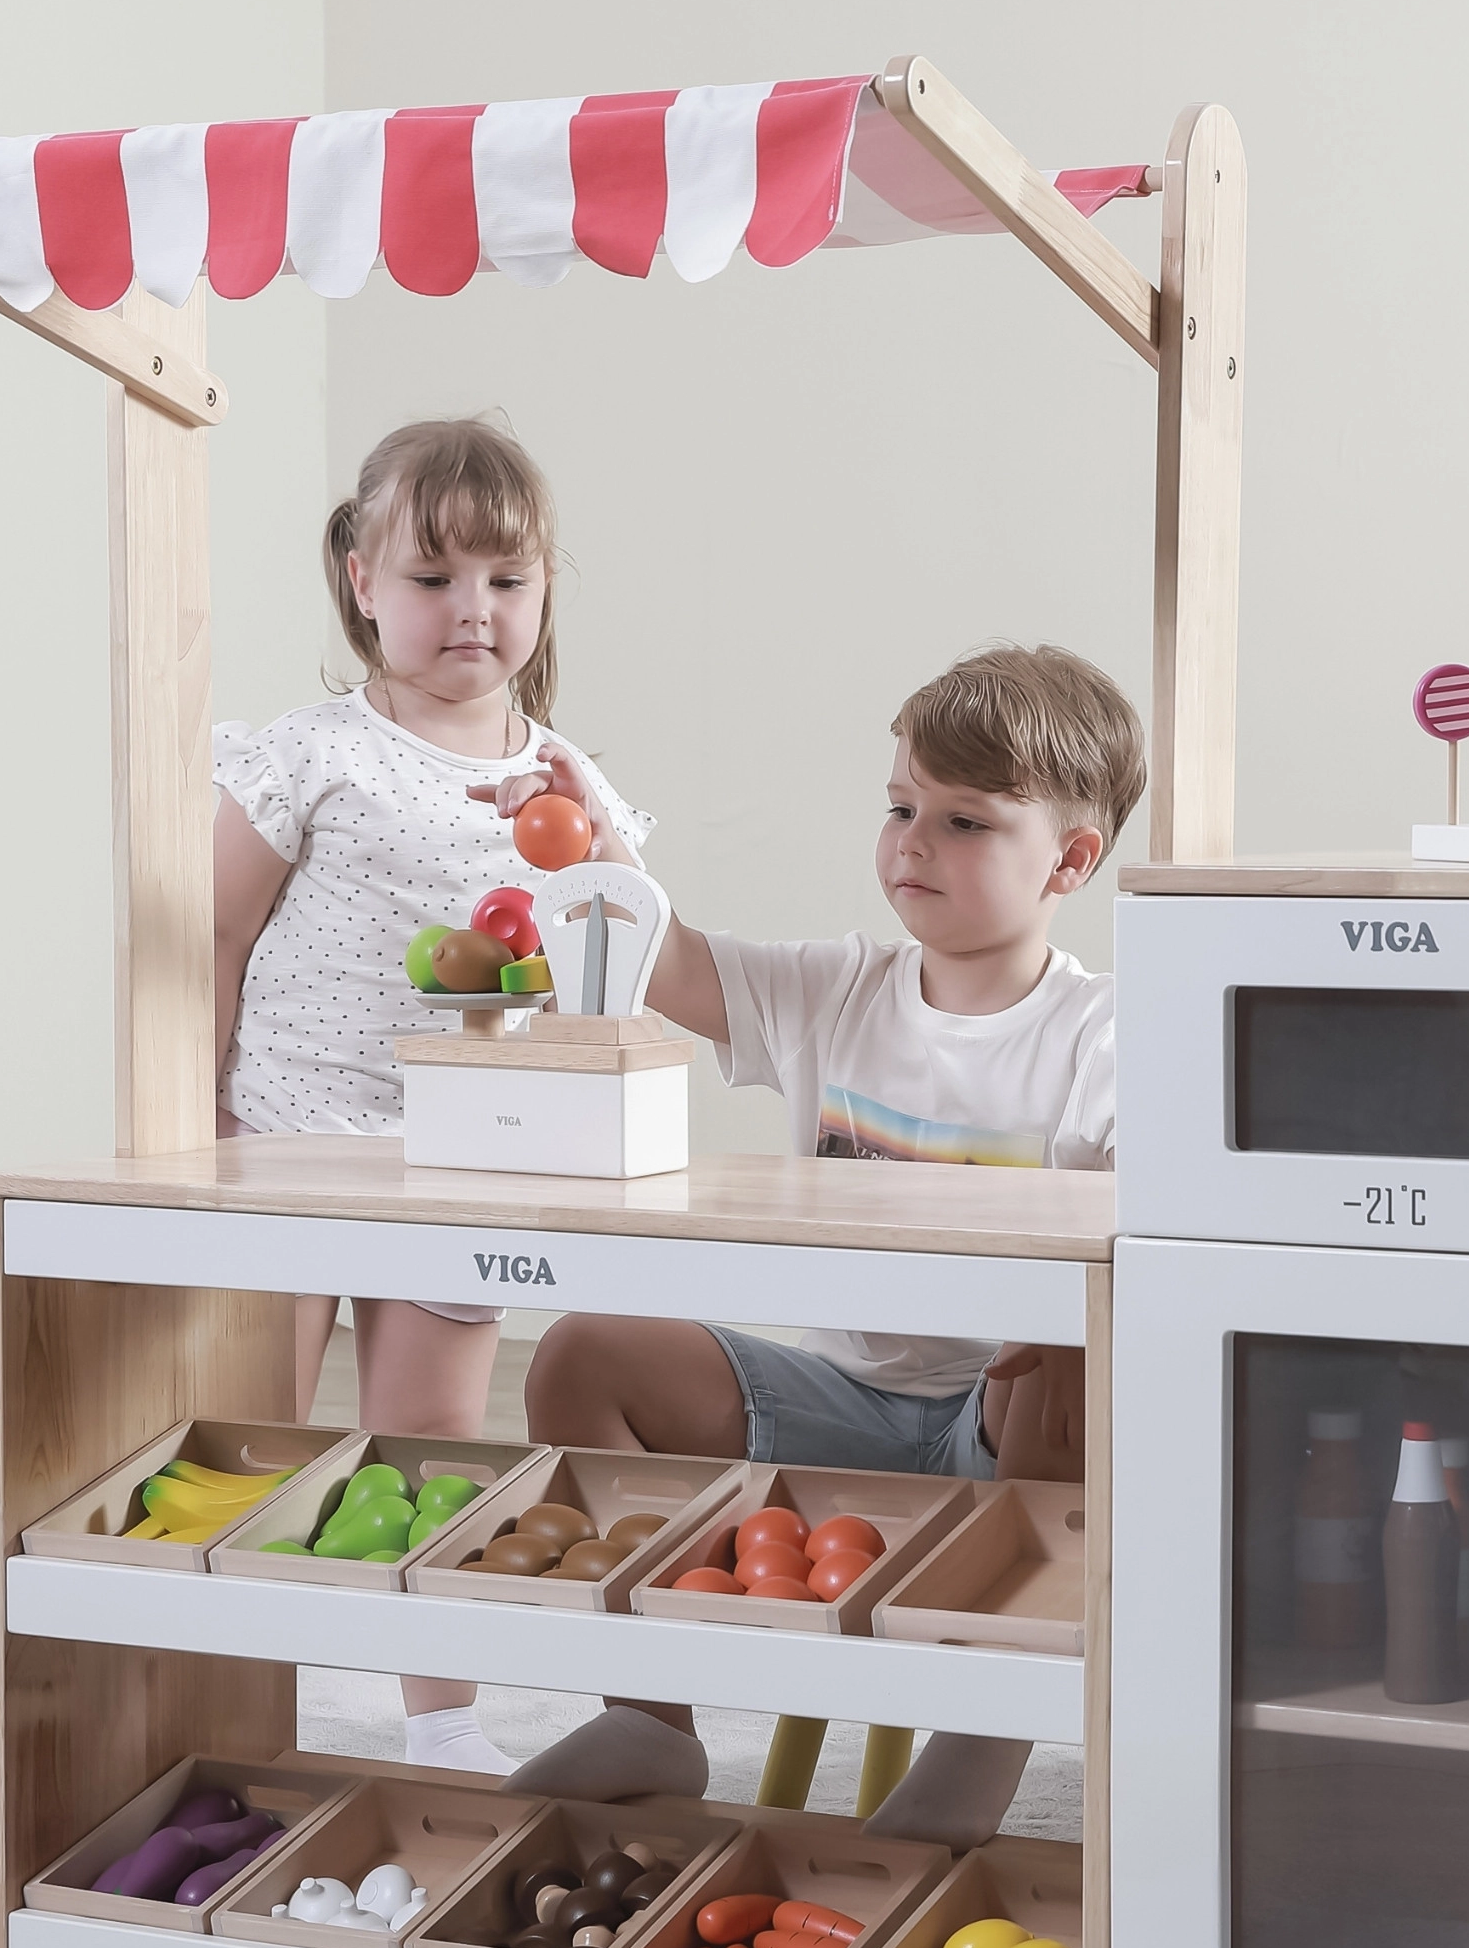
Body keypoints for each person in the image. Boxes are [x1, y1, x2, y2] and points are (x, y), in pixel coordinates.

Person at [485, 643, 1143, 1818]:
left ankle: (982, 1741)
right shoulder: (835, 989)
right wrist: (597, 845)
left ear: (1070, 859)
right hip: (837, 1401)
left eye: (964, 821)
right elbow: (669, 962)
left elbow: (1156, 1218)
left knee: (1071, 1350)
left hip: (1006, 1431)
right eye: (900, 809)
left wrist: (1067, 1312)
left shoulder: (1101, 1034)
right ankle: (648, 1720)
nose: (913, 843)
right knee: (582, 1349)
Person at [212, 415, 653, 1775]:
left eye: (507, 580)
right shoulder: (314, 753)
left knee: (435, 1440)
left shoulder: (564, 784)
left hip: (456, 1154)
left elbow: (621, 965)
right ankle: (223, 1705)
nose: (474, 609)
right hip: (283, 1143)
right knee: (253, 1436)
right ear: (361, 579)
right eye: (433, 577)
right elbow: (214, 939)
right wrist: (194, 1130)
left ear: (545, 590)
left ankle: (443, 1719)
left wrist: (601, 839)